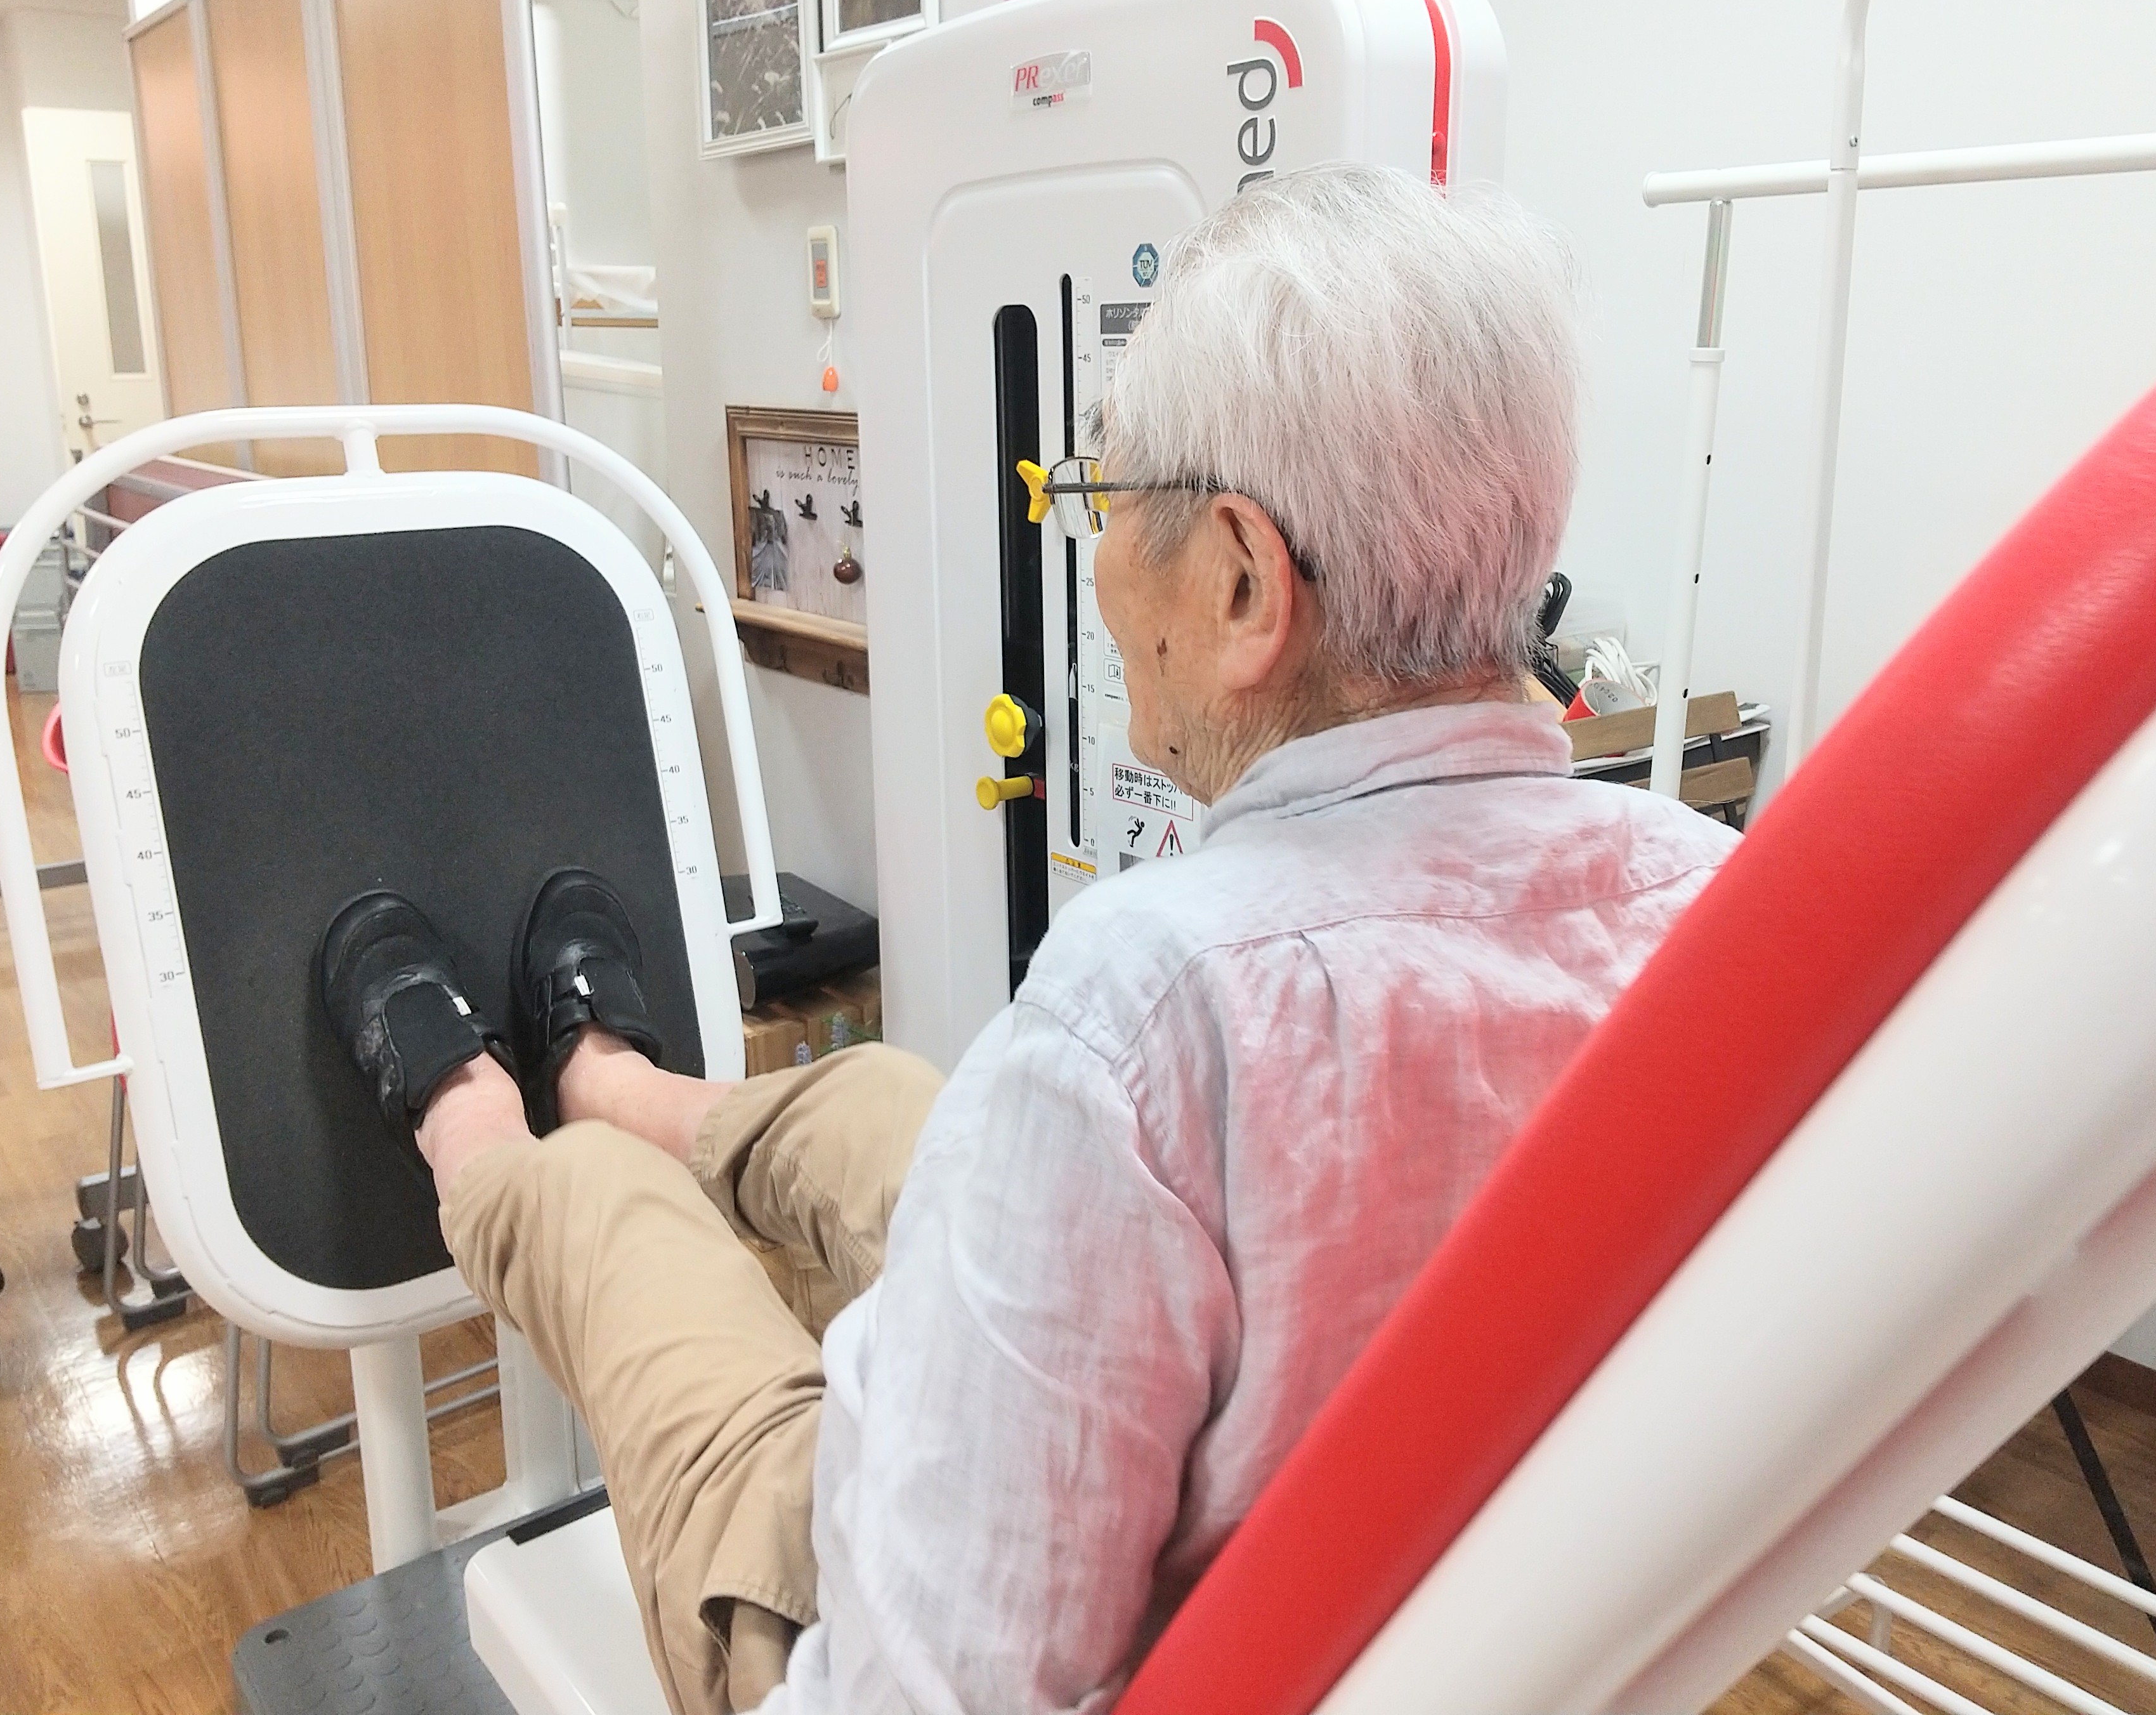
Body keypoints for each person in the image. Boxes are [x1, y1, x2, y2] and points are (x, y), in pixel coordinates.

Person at [315, 164, 1738, 1715]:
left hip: (888, 1617)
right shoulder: (1705, 903)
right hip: (1362, 1554)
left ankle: (476, 1114)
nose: (1098, 551)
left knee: (608, 1216)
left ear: (1242, 581)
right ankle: (612, 1080)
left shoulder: (1151, 1011)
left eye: (1106, 497)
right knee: (886, 1104)